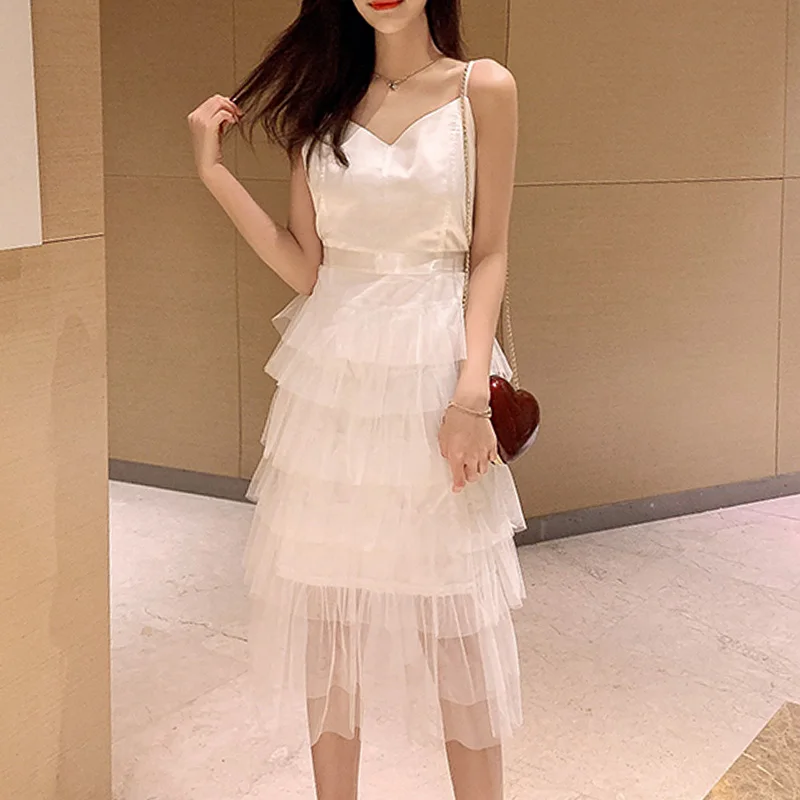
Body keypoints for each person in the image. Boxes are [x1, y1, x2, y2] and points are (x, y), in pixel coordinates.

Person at [187, 1, 526, 797]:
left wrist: (470, 393)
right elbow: (310, 269)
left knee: (457, 622)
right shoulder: (321, 107)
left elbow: (489, 253)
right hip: (334, 381)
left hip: (437, 368)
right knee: (328, 622)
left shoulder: (482, 89)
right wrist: (214, 174)